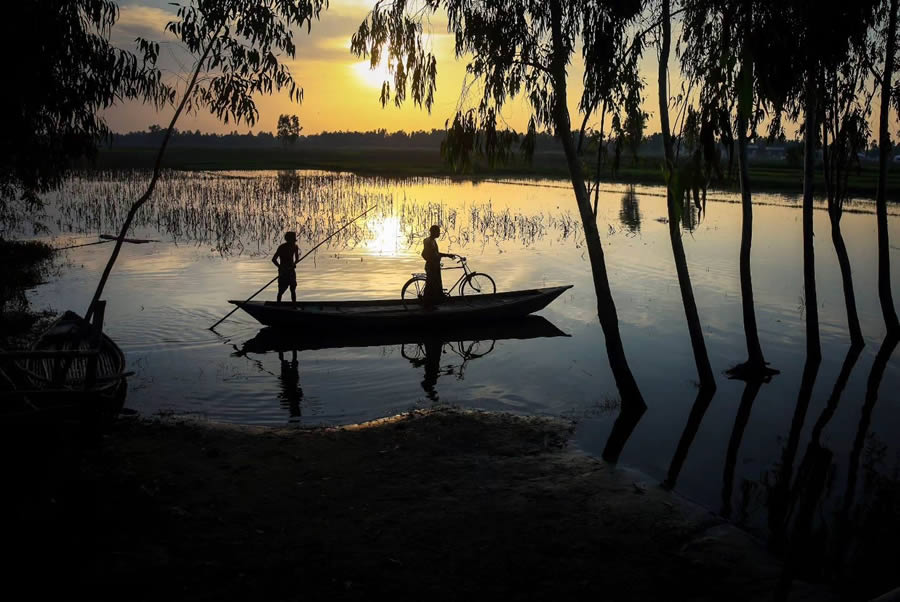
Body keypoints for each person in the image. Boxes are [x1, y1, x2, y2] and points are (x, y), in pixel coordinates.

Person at [421, 224, 456, 308]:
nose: (439, 234)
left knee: (432, 285)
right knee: (430, 285)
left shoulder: (431, 241)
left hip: (434, 266)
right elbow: (425, 254)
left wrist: (447, 255)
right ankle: (427, 304)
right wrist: (432, 261)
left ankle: (430, 303)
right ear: (433, 232)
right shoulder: (429, 242)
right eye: (438, 232)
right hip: (431, 267)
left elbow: (435, 254)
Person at [272, 231, 300, 304]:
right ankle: (278, 305)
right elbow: (274, 259)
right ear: (288, 239)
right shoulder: (282, 247)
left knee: (293, 289)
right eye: (292, 239)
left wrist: (294, 263)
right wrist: (280, 267)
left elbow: (297, 259)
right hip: (283, 272)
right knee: (281, 290)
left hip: (291, 271)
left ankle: (294, 306)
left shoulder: (295, 246)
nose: (293, 241)